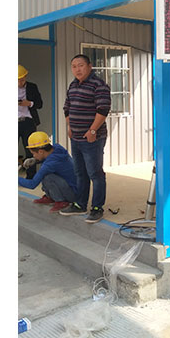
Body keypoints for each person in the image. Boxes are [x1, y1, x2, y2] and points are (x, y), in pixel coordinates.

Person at [59, 54, 111, 223]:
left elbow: (103, 109)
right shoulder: (73, 85)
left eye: (80, 65)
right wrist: (70, 127)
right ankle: (80, 204)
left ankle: (97, 208)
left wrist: (93, 130)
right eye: (74, 66)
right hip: (76, 138)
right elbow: (67, 108)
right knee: (80, 172)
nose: (77, 69)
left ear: (90, 66)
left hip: (92, 139)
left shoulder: (99, 85)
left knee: (95, 173)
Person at [18, 131, 78, 213]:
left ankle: (61, 201)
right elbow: (48, 158)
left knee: (48, 177)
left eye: (33, 154)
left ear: (40, 151)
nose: (33, 156)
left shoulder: (49, 164)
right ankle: (51, 197)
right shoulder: (57, 148)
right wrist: (35, 160)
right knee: (45, 173)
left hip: (73, 194)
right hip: (74, 187)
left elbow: (32, 184)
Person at [18, 64, 43, 179]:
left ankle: (31, 177)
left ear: (26, 77)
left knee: (31, 149)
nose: (20, 83)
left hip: (28, 121)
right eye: (17, 80)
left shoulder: (32, 87)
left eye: (22, 80)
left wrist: (29, 103)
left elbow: (40, 104)